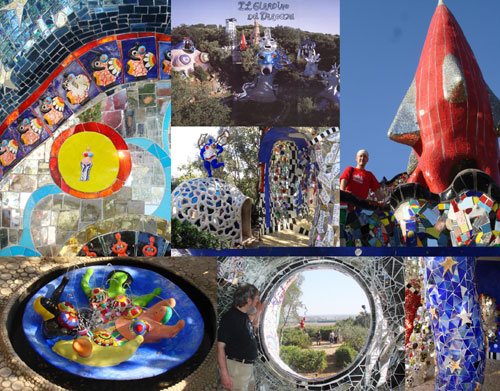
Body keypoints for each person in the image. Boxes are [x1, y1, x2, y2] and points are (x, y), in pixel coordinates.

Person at [218, 283, 265, 391]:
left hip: (247, 368)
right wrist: (224, 374)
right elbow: (220, 347)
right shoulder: (230, 318)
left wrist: (259, 311)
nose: (257, 302)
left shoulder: (243, 316)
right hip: (237, 369)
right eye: (256, 299)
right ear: (249, 300)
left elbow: (251, 321)